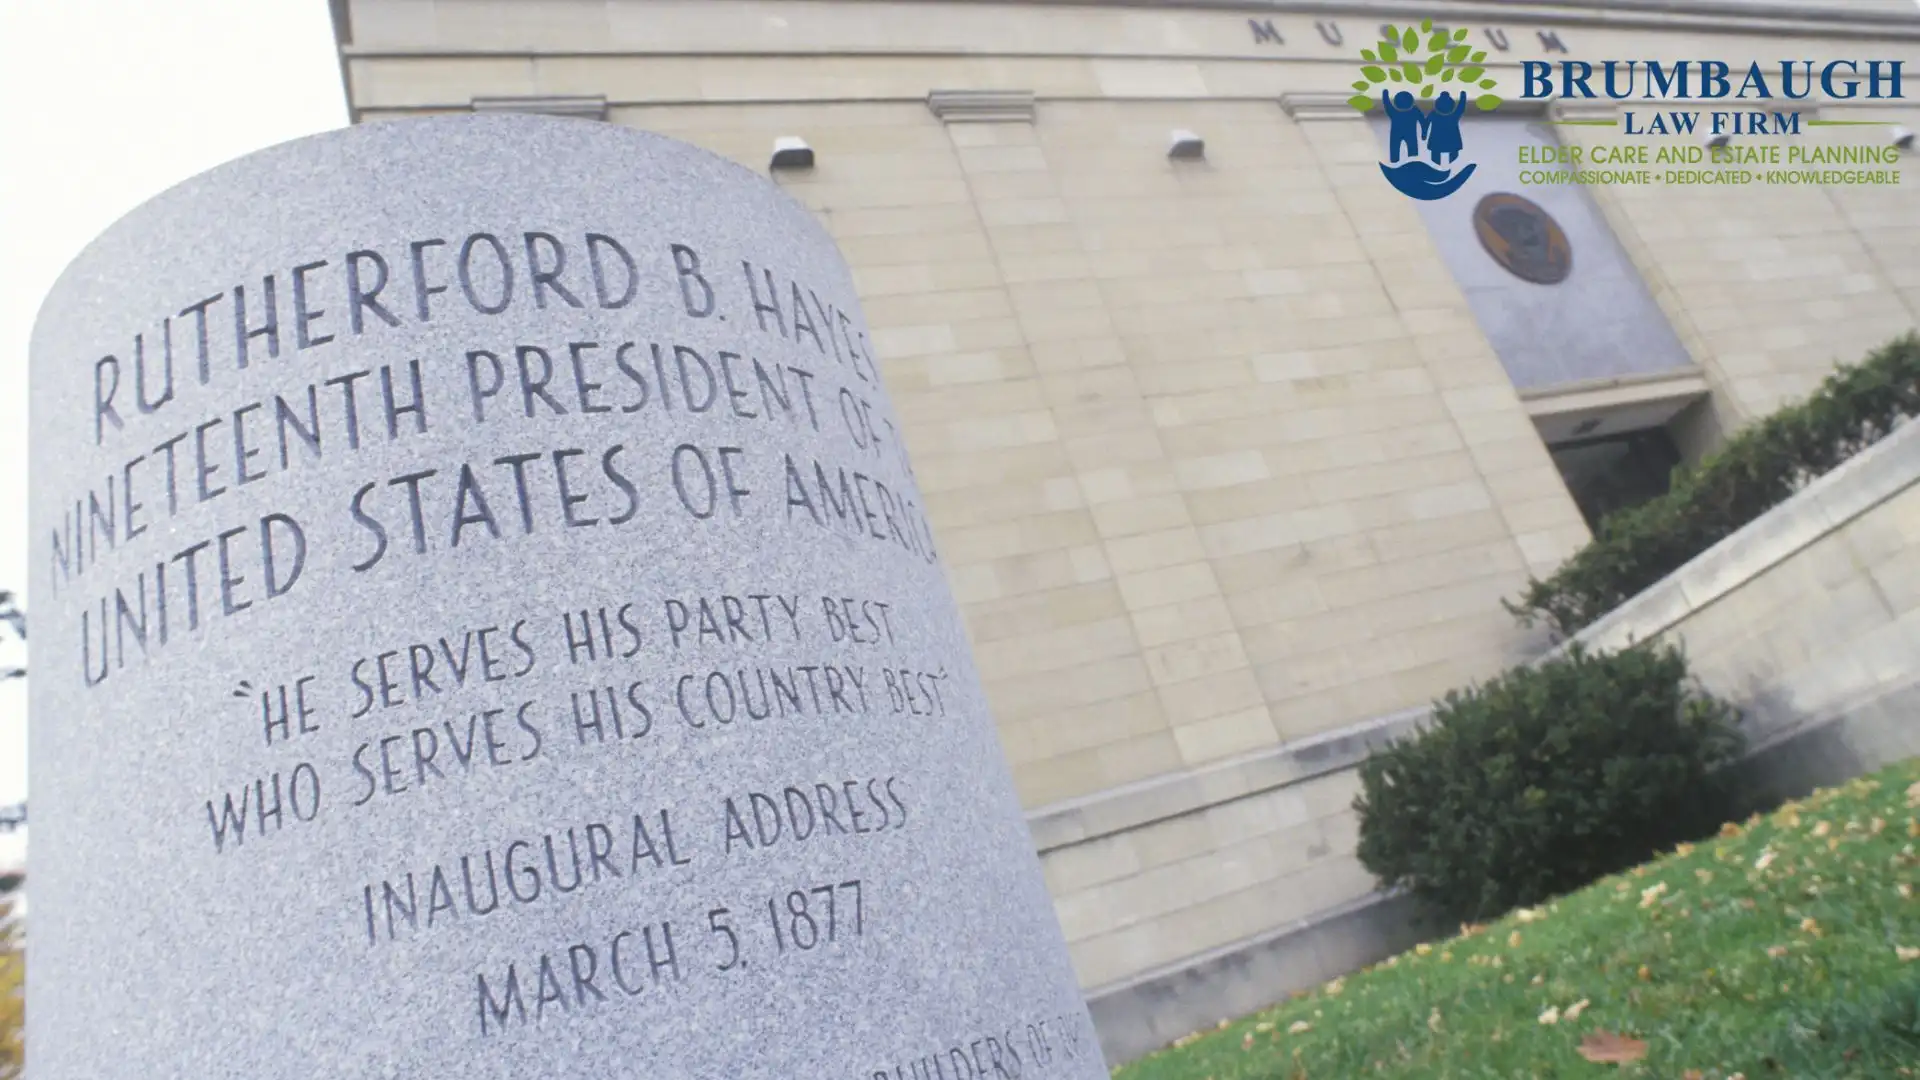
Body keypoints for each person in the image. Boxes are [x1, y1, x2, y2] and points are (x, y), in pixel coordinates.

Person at [1383, 89, 1426, 163]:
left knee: (1394, 151)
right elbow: (1423, 122)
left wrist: (1385, 95)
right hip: (1410, 134)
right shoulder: (1414, 110)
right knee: (1413, 152)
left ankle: (1394, 163)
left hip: (1396, 134)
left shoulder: (1393, 111)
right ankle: (1412, 164)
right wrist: (1424, 133)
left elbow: (1387, 104)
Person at [1425, 91, 1465, 166]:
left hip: (1436, 139)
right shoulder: (1454, 114)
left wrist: (1424, 134)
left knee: (1435, 155)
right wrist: (1463, 96)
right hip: (1452, 139)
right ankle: (1452, 166)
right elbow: (1461, 107)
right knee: (1453, 154)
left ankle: (1437, 167)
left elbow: (1426, 123)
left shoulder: (1434, 114)